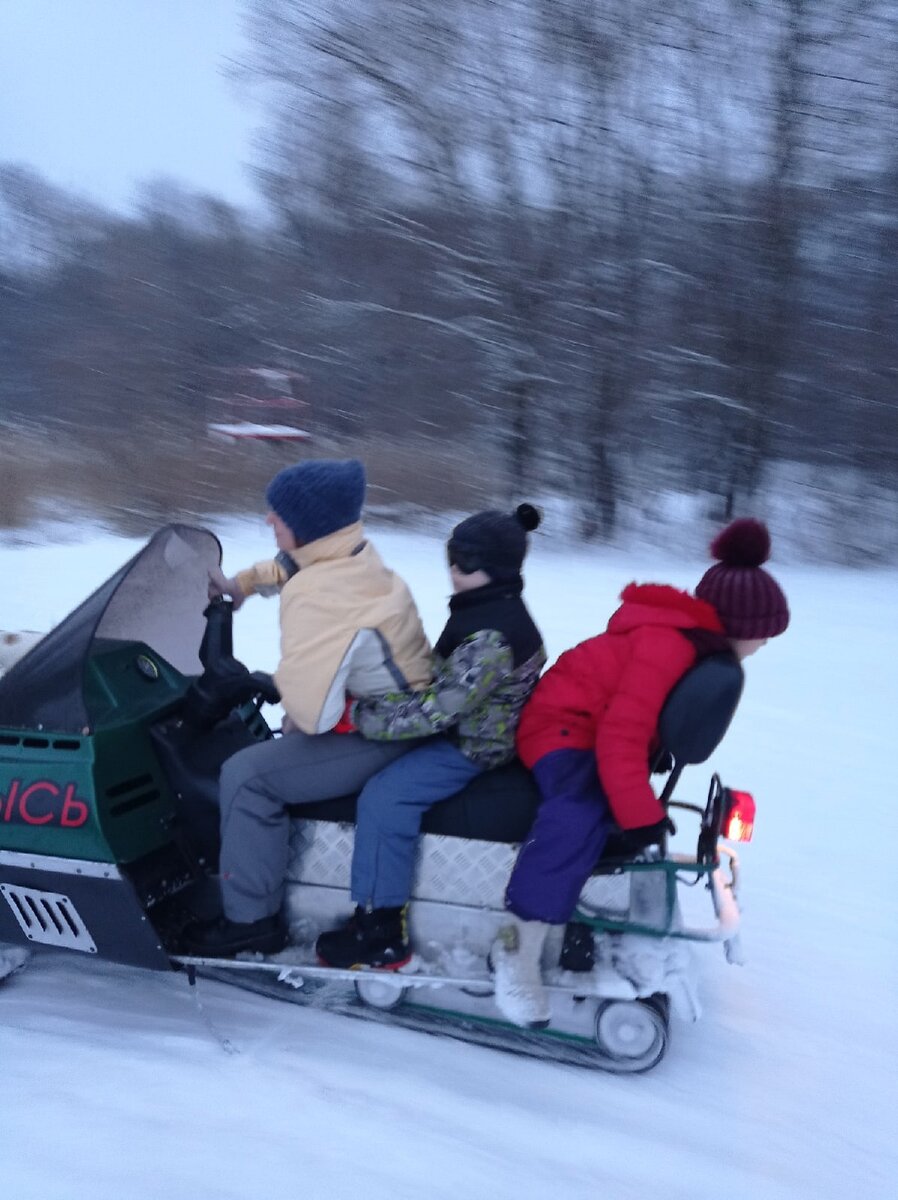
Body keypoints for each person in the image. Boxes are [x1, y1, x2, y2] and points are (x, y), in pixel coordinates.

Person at [491, 517, 790, 1028]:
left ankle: (586, 911)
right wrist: (640, 814)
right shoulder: (667, 648)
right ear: (737, 625)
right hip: (559, 726)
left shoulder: (693, 646)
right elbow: (620, 736)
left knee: (613, 808)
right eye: (760, 635)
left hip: (591, 726)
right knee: (579, 811)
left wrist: (637, 806)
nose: (762, 646)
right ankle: (515, 948)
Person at [182, 457, 433, 957]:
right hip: (403, 710)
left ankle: (249, 921)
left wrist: (271, 686)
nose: (268, 522)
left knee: (247, 775)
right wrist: (244, 585)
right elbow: (293, 565)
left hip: (385, 733)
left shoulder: (321, 597)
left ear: (307, 524)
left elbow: (312, 715)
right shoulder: (353, 555)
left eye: (276, 515)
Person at [315, 504, 546, 970]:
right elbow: (442, 681)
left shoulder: (493, 637)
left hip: (472, 747)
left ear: (497, 571)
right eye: (452, 560)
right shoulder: (485, 609)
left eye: (466, 564)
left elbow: (440, 710)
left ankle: (382, 930)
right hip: (460, 729)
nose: (454, 572)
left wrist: (359, 716)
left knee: (386, 797)